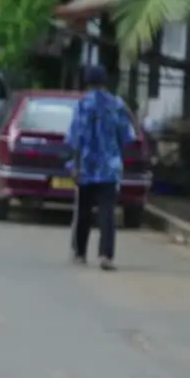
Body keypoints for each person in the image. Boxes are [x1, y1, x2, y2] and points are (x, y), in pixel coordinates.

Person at [67, 64, 135, 271]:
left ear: (87, 82)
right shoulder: (117, 105)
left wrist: (75, 165)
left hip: (86, 166)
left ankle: (80, 252)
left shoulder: (82, 105)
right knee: (107, 212)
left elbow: (75, 138)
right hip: (109, 167)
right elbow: (127, 136)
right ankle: (106, 255)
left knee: (84, 210)